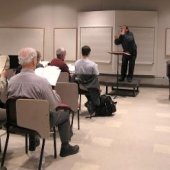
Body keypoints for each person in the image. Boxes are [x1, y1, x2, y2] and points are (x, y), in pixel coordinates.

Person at [8, 47, 79, 157]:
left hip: (16, 123)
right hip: (39, 122)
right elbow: (54, 105)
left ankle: (33, 141)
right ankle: (65, 147)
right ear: (34, 61)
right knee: (64, 114)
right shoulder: (42, 82)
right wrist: (53, 92)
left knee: (28, 110)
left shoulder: (11, 81)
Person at [74, 45, 100, 115]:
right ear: (89, 53)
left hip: (80, 87)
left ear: (81, 52)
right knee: (95, 83)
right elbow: (96, 75)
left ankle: (90, 102)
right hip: (90, 87)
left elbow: (76, 74)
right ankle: (91, 103)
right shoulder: (93, 65)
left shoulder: (76, 63)